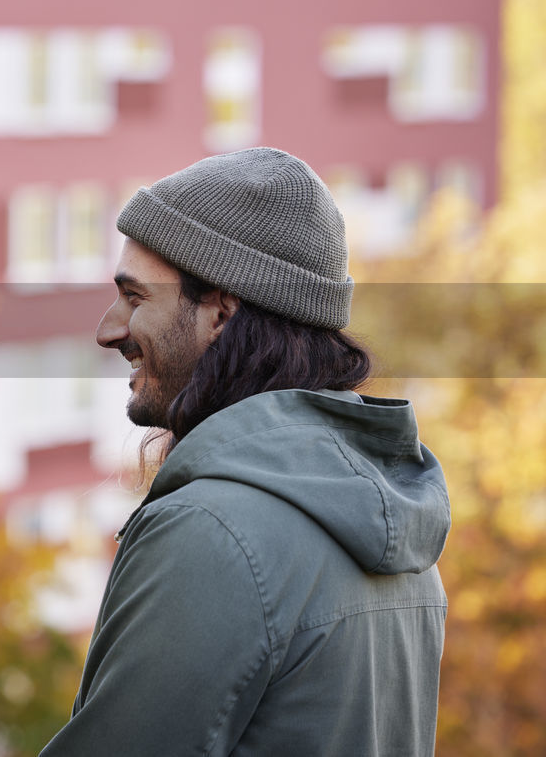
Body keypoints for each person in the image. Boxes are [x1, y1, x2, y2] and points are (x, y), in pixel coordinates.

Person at [41, 148, 449, 756]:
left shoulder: (211, 532)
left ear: (222, 314)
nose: (109, 329)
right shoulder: (396, 531)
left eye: (136, 297)